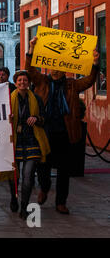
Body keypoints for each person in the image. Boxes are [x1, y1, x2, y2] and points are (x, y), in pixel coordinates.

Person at [27, 37, 100, 214]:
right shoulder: (42, 82)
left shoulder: (72, 85)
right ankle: (44, 187)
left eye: (60, 67)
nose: (56, 70)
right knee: (42, 166)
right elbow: (29, 70)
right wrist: (31, 49)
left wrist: (95, 63)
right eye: (53, 66)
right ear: (49, 67)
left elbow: (90, 80)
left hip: (65, 132)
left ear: (65, 68)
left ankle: (61, 202)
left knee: (64, 170)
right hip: (45, 131)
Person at [0, 70, 50, 219]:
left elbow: (44, 118)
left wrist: (36, 118)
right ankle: (14, 197)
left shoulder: (36, 99)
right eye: (19, 80)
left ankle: (24, 207)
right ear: (15, 83)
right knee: (14, 176)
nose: (22, 82)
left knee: (28, 176)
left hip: (32, 140)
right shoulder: (8, 99)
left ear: (29, 83)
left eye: (25, 80)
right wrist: (8, 118)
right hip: (14, 141)